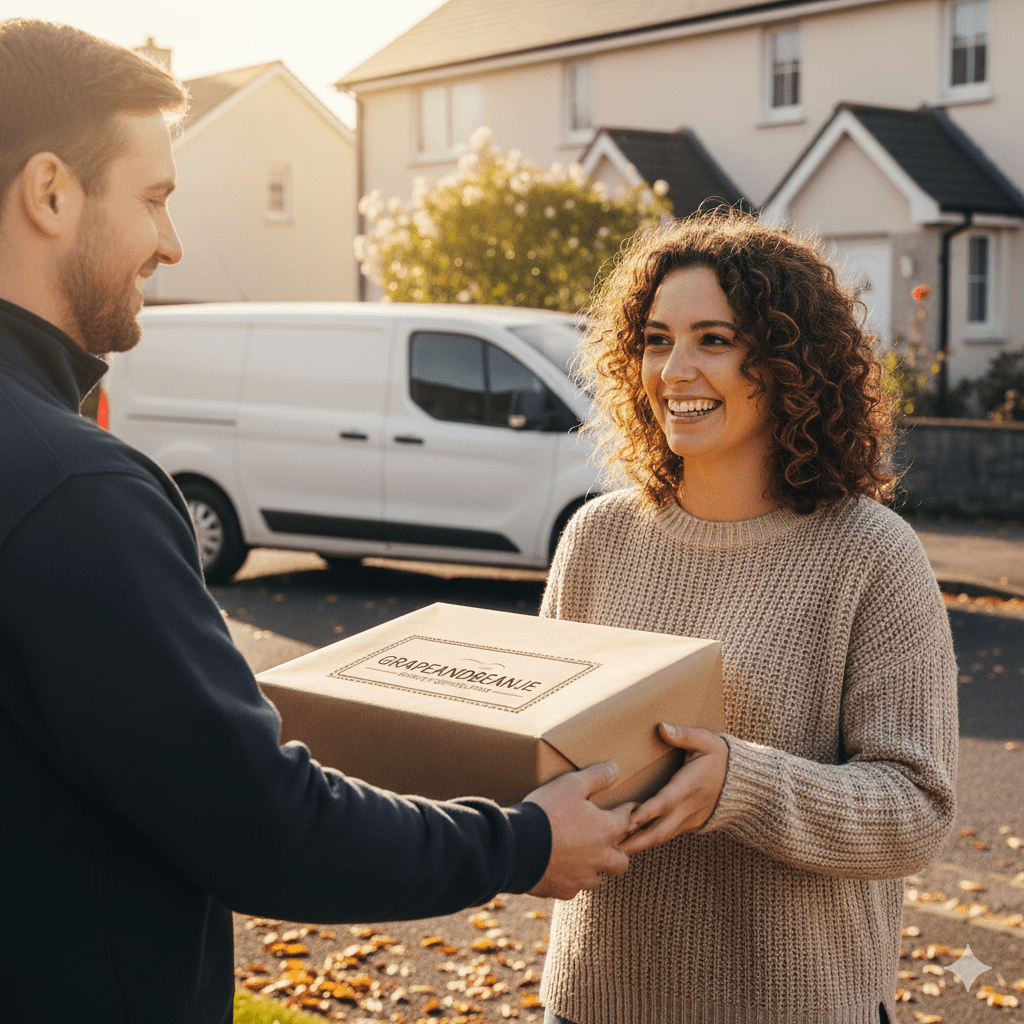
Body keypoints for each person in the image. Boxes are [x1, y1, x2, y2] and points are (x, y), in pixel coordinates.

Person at [0, 19, 633, 1024]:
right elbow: (261, 827)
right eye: (155, 199)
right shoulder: (74, 488)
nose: (168, 242)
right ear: (49, 193)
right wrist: (518, 842)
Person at [538, 212, 959, 1024]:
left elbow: (917, 811)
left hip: (797, 1005)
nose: (675, 369)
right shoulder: (597, 537)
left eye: (715, 340)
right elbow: (543, 749)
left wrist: (741, 783)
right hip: (595, 1001)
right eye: (657, 339)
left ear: (791, 365)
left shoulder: (871, 554)